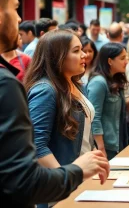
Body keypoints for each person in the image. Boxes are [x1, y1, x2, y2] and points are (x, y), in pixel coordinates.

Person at [0, 0, 109, 207]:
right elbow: (32, 157)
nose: (19, 18)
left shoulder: (72, 85)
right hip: (59, 189)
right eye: (15, 8)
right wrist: (70, 176)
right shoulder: (40, 89)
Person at [24, 30, 100, 207]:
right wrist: (65, 178)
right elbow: (36, 145)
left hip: (80, 179)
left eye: (82, 49)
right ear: (57, 56)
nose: (84, 55)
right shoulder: (45, 90)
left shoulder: (76, 84)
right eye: (76, 51)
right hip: (59, 187)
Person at [87, 43, 128, 160]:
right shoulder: (99, 82)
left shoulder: (115, 79)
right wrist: (101, 148)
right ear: (110, 61)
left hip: (117, 142)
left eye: (126, 57)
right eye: (122, 58)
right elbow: (94, 117)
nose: (126, 61)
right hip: (106, 146)